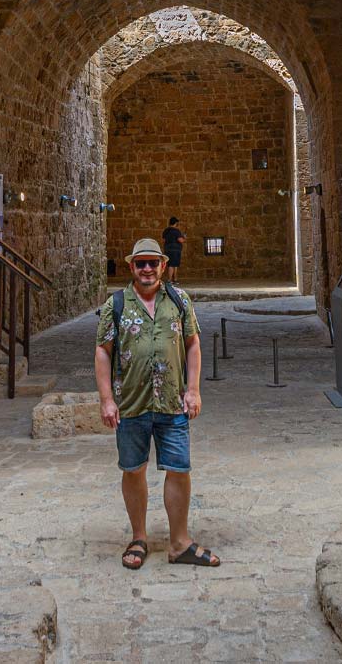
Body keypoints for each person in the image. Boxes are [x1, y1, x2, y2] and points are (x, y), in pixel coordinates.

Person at [95, 237, 221, 570]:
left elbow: (193, 344)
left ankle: (180, 543)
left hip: (171, 402)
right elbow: (103, 351)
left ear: (163, 265)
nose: (147, 269)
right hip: (131, 404)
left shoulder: (179, 301)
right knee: (133, 469)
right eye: (141, 264)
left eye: (153, 263)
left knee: (179, 469)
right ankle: (139, 537)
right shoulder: (117, 304)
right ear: (131, 267)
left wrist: (193, 390)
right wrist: (107, 400)